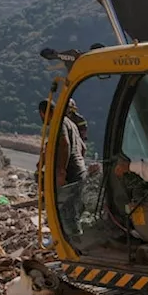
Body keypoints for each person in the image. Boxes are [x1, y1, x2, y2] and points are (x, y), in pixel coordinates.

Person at [39, 99, 88, 237]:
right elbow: (83, 148)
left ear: (44, 113)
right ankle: (77, 244)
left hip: (70, 177)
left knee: (66, 215)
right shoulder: (71, 123)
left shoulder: (58, 122)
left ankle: (74, 248)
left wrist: (61, 171)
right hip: (80, 173)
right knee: (75, 214)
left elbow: (65, 144)